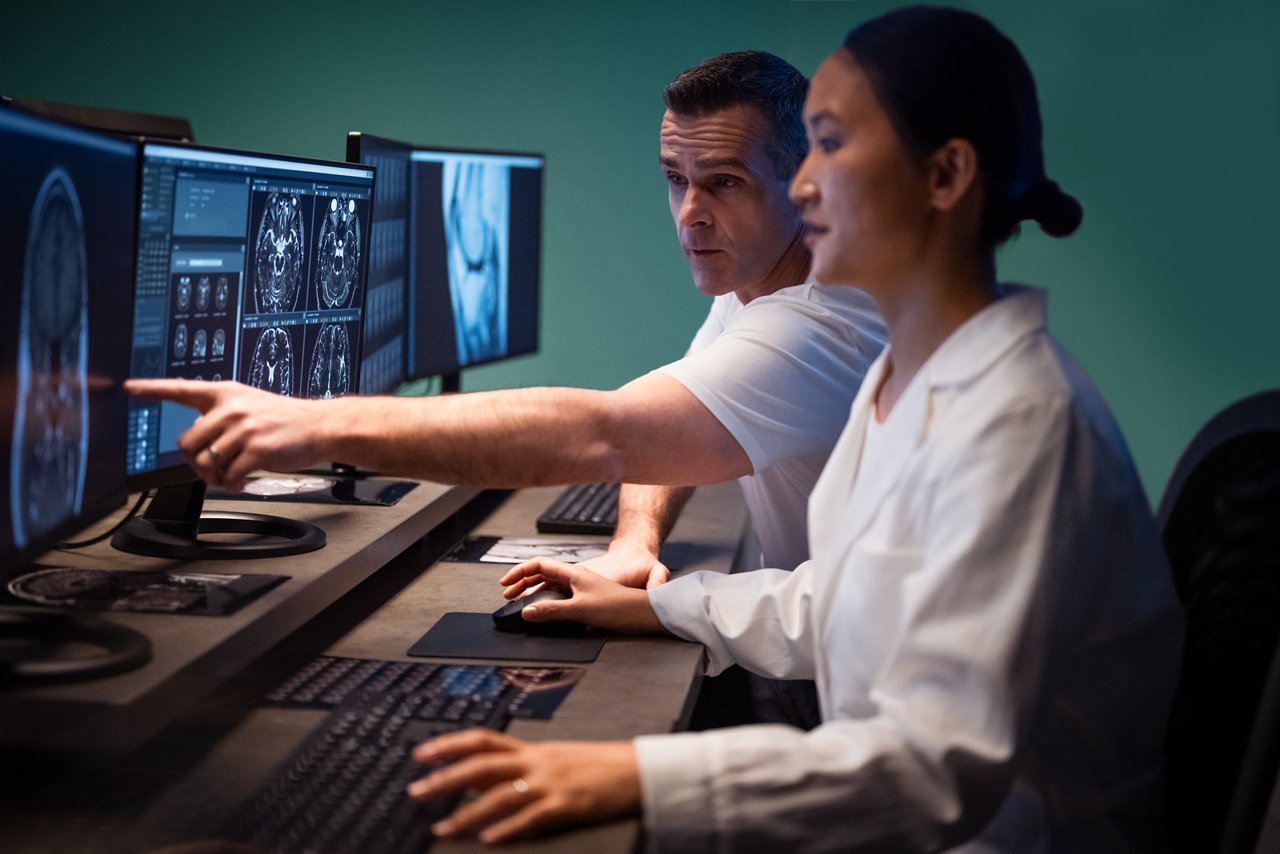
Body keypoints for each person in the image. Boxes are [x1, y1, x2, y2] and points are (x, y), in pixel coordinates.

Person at [402, 7, 1184, 852]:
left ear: (945, 176)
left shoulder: (1021, 423)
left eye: (832, 146)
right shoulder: (913, 373)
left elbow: (933, 771)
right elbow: (847, 599)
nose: (803, 183)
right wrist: (659, 605)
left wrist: (634, 775)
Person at [127, 51, 885, 728]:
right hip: (819, 651)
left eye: (724, 183)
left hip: (856, 693)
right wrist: (634, 543)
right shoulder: (758, 285)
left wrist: (315, 425)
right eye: (675, 180)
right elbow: (668, 417)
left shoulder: (818, 323)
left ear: (804, 185)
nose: (690, 214)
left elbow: (609, 433)